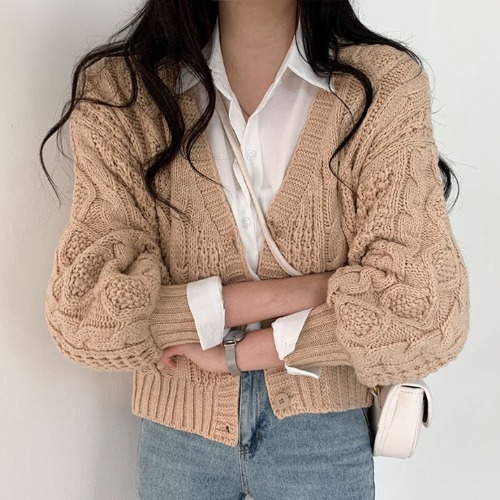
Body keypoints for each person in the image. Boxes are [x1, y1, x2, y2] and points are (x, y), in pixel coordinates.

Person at [40, 1, 470, 499]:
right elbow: (85, 312)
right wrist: (312, 290)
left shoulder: (382, 86)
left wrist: (243, 352)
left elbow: (426, 308)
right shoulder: (121, 94)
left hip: (321, 435)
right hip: (180, 436)